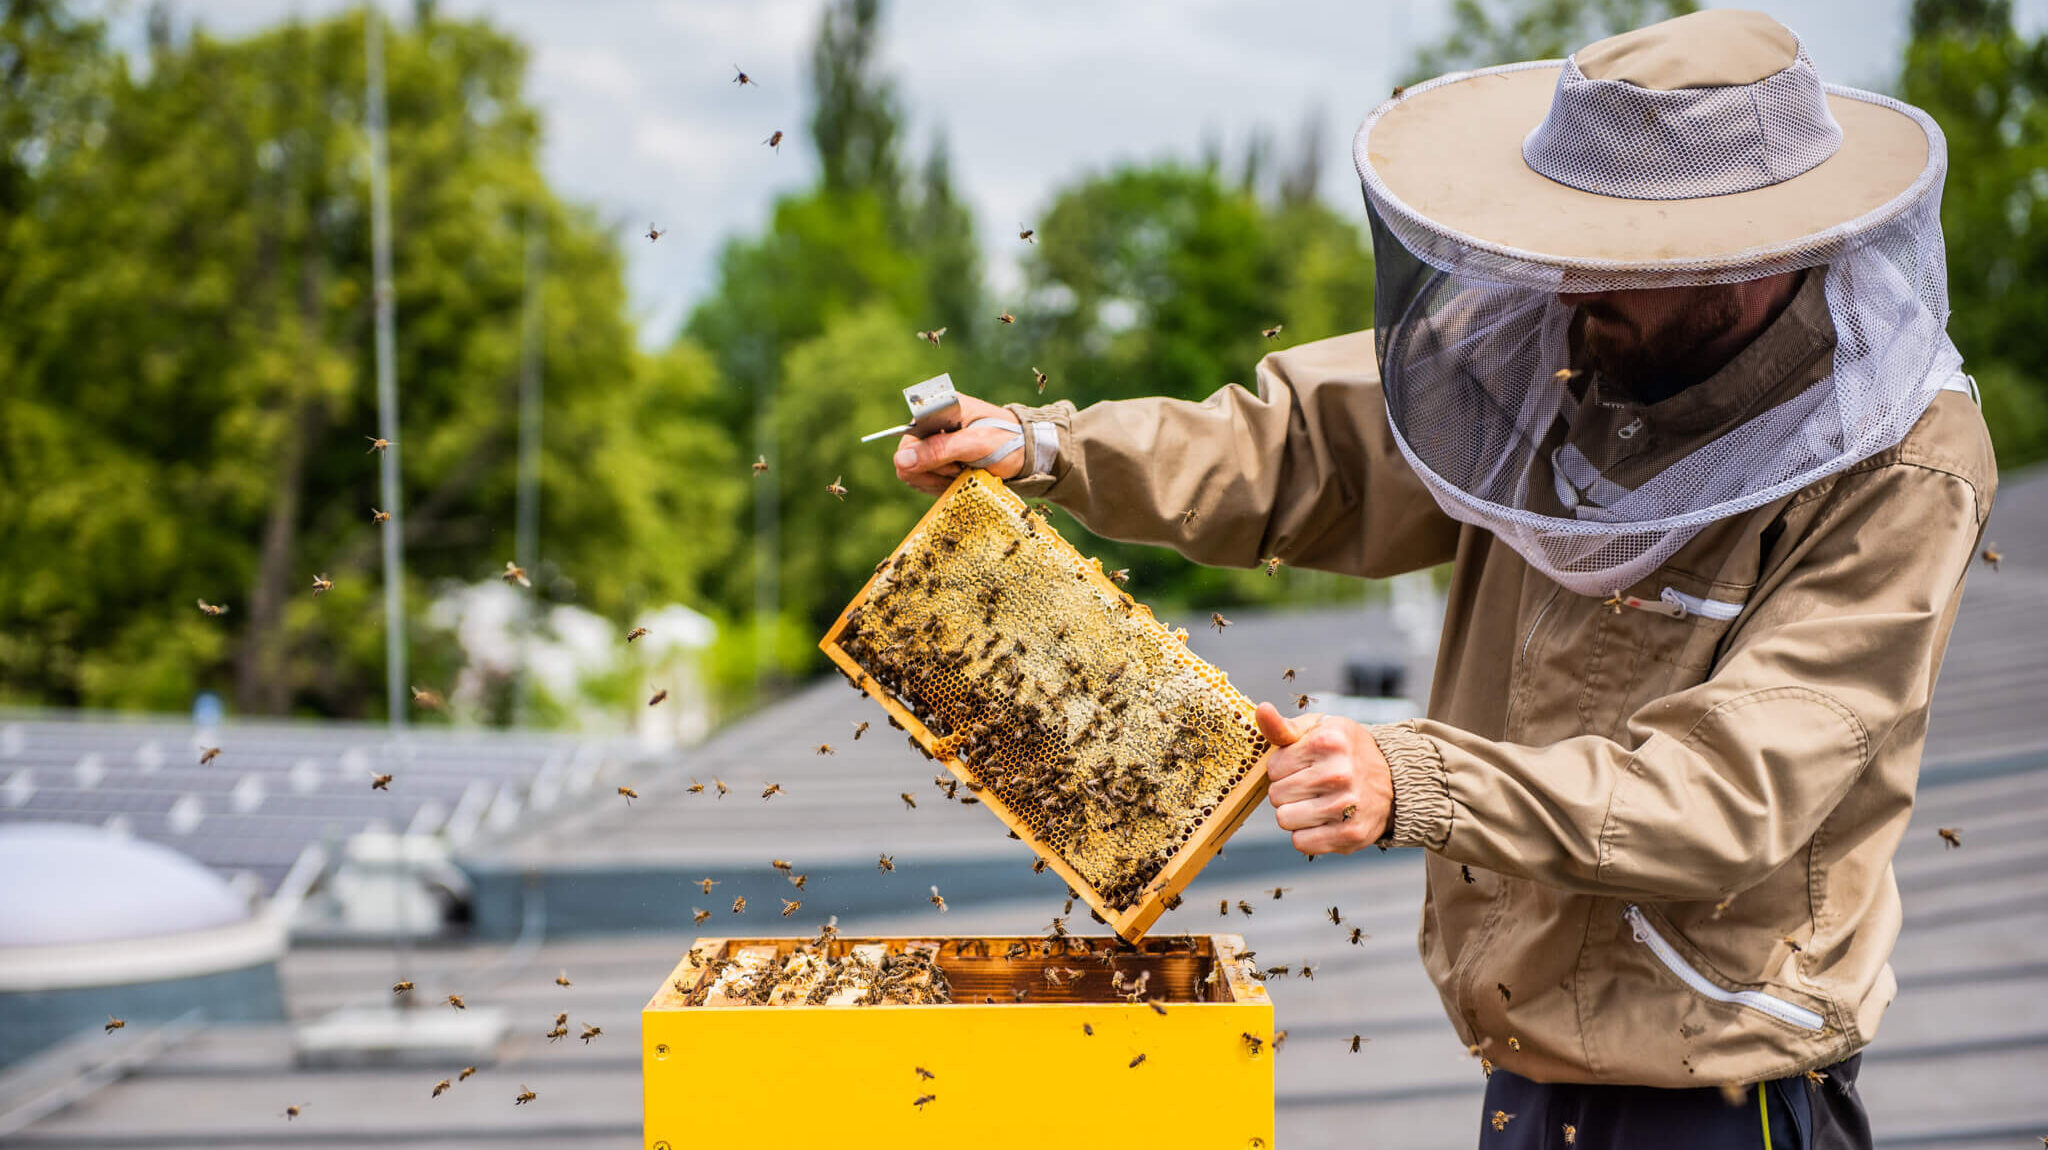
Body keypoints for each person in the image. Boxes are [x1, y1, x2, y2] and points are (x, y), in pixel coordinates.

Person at [892, 10, 1996, 1149]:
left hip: (1721, 1087)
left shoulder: (1897, 466)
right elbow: (1302, 449)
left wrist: (1413, 775)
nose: (1572, 283)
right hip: (1522, 1065)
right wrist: (1047, 448)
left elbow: (1732, 786)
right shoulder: (1561, 341)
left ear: (1745, 252)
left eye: (1619, 255)